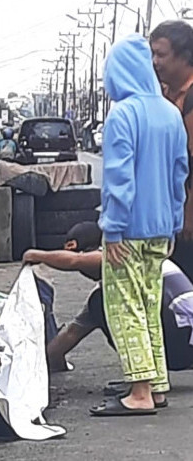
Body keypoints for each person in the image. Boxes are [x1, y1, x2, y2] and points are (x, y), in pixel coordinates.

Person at [94, 34, 188, 416]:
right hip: (161, 229)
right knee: (150, 306)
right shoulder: (169, 113)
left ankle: (140, 392)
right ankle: (157, 384)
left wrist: (111, 227)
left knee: (124, 307)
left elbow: (119, 177)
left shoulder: (123, 114)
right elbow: (180, 173)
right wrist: (175, 224)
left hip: (128, 230)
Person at [23, 223, 193, 389]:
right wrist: (47, 361)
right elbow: (68, 337)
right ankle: (142, 379)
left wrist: (38, 255)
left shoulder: (123, 254)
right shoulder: (117, 284)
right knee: (100, 302)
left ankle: (142, 381)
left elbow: (76, 261)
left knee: (101, 301)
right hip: (182, 343)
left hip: (181, 340)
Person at [151, 21, 193, 281]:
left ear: (184, 56)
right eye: (152, 54)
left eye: (161, 54)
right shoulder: (164, 94)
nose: (155, 62)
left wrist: (189, 215)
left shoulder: (191, 97)